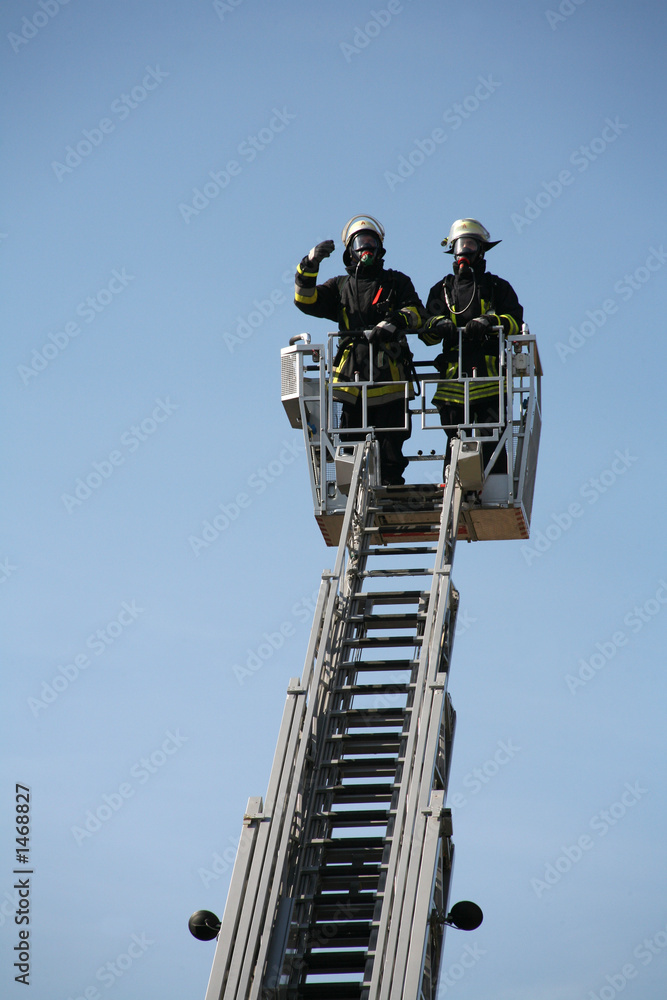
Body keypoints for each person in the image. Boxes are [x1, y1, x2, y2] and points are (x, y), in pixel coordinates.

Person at [294, 215, 423, 485]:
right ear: (350, 251)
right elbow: (305, 300)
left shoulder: (397, 282)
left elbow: (416, 313)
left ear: (379, 247)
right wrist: (310, 264)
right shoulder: (340, 287)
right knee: (351, 441)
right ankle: (353, 485)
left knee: (391, 442)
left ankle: (389, 488)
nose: (366, 248)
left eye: (371, 242)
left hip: (390, 377)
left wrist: (395, 321)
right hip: (352, 380)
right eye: (360, 243)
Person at [419, 218, 523, 478]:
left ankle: (495, 485)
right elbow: (425, 334)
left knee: (491, 433)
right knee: (455, 434)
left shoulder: (498, 287)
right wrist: (437, 324)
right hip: (454, 378)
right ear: (452, 250)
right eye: (459, 246)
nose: (463, 252)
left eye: (469, 245)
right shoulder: (441, 290)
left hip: (490, 378)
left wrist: (490, 321)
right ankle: (451, 479)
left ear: (481, 250)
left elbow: (514, 322)